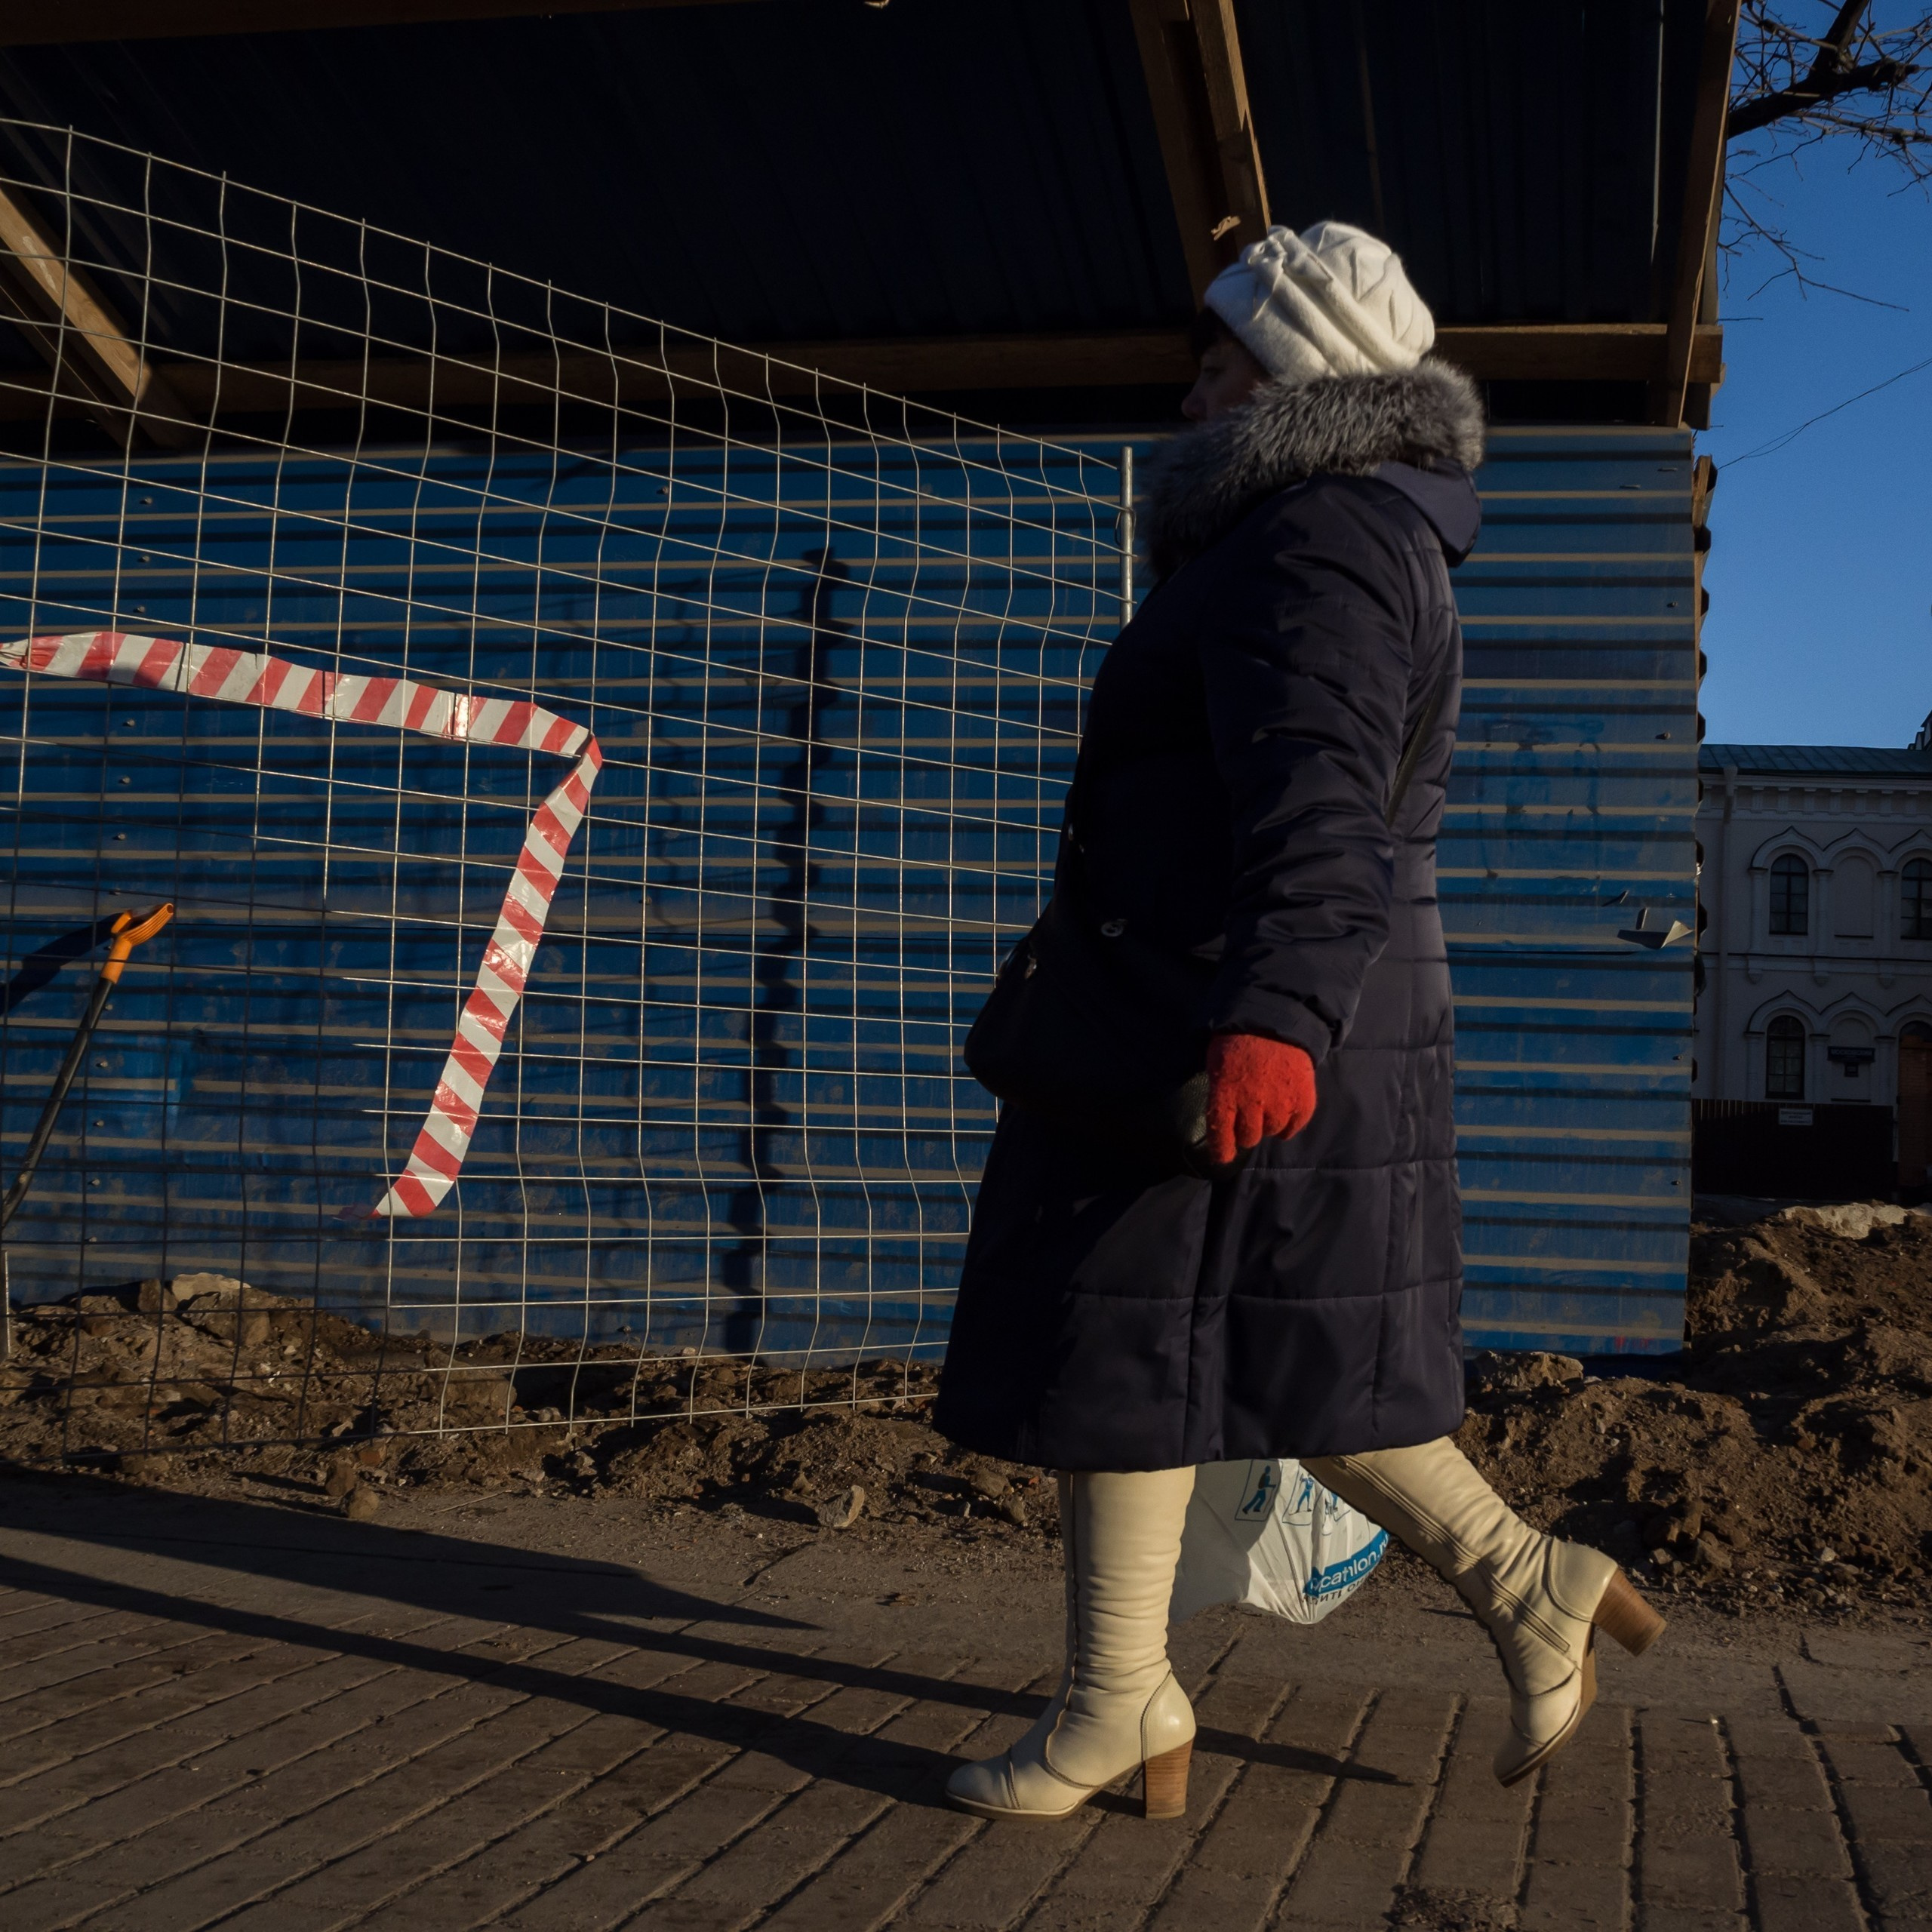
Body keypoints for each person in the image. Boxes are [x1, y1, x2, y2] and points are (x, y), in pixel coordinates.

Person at [933, 220, 1665, 1823]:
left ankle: (1123, 1696)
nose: (1187, 391)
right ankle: (1501, 1582)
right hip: (1223, 995)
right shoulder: (1323, 530)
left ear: (1297, 374)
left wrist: (1265, 1017)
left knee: (1142, 1341)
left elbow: (1321, 802)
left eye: (1218, 359)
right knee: (1222, 1343)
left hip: (1217, 1008)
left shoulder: (1313, 537)